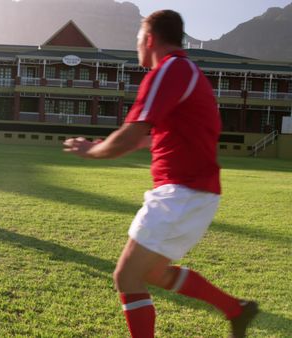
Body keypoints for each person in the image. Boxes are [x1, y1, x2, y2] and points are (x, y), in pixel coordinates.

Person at [63, 10, 257, 338]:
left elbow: (130, 133)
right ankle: (236, 310)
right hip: (193, 193)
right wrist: (108, 144)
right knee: (154, 272)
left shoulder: (168, 71)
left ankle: (236, 310)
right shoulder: (186, 72)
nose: (137, 44)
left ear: (150, 38)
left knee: (127, 277)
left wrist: (91, 151)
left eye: (138, 38)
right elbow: (154, 136)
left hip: (180, 193)